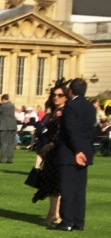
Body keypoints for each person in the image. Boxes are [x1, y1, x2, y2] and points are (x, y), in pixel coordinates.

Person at [54, 77, 97, 232]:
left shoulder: (71, 106)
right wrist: (84, 150)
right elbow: (90, 131)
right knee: (79, 189)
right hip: (85, 151)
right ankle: (79, 221)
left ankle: (67, 221)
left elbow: (71, 130)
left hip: (71, 152)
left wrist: (77, 151)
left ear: (70, 91)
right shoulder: (91, 107)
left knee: (67, 188)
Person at [29, 83, 69, 226]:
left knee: (57, 185)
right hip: (51, 152)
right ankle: (54, 214)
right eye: (54, 95)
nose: (56, 98)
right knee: (52, 185)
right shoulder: (54, 112)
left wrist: (51, 145)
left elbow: (63, 132)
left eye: (60, 95)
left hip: (58, 150)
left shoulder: (65, 112)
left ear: (66, 97)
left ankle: (53, 214)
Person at [0, 93, 17, 162]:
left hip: (4, 127)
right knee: (11, 143)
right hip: (12, 126)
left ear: (3, 99)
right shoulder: (12, 105)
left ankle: (2, 159)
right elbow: (3, 107)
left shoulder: (3, 107)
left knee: (4, 143)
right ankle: (10, 159)